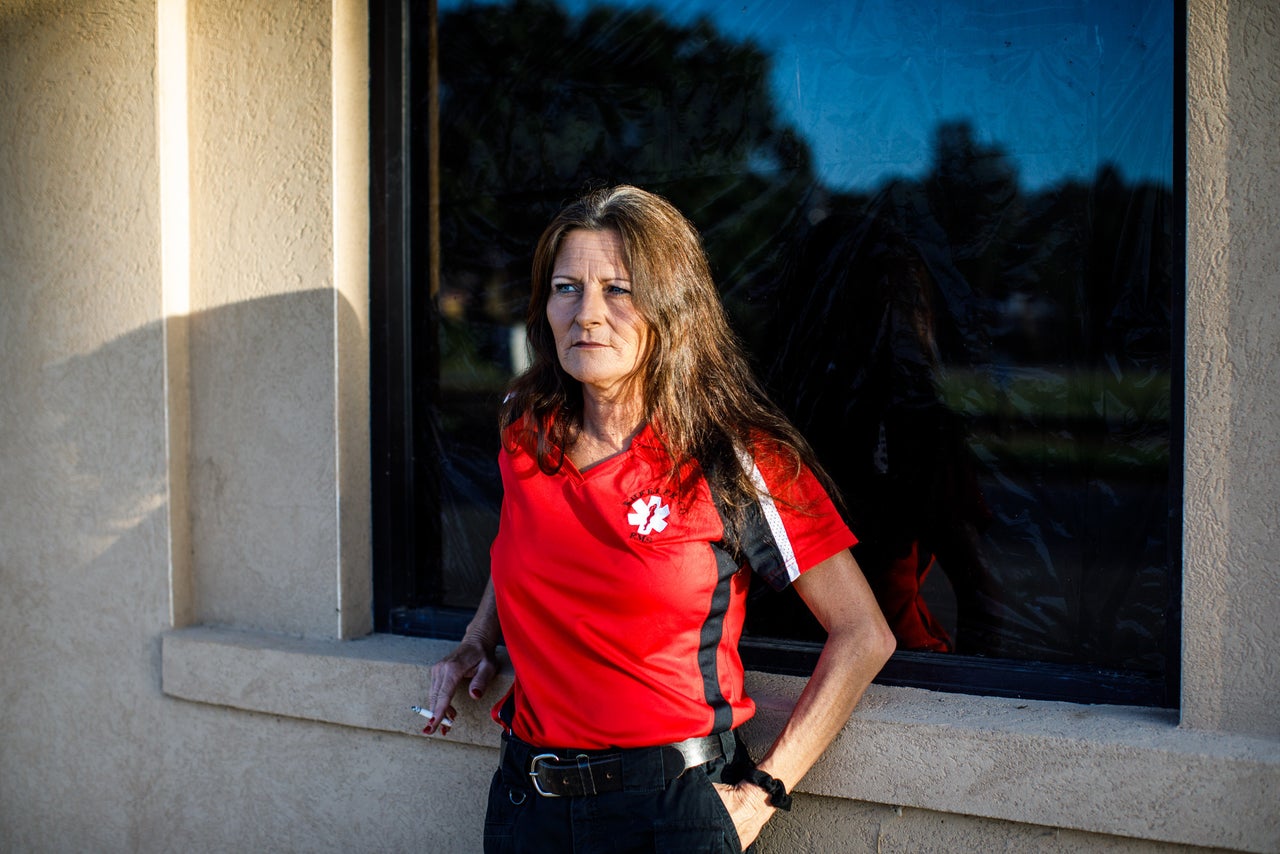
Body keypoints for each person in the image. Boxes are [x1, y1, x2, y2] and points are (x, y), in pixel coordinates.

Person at [422, 185, 896, 852]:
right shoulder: (525, 424)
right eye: (566, 287)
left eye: (619, 289)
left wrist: (763, 794)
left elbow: (863, 635)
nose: (587, 313)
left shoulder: (735, 454)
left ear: (671, 306)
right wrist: (477, 637)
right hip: (527, 800)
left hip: (670, 805)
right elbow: (521, 542)